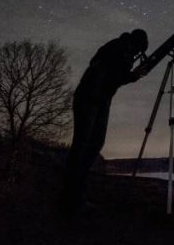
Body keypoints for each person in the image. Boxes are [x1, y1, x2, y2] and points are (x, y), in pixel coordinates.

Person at [62, 29, 149, 215]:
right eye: (137, 51)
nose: (136, 55)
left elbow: (113, 78)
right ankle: (70, 198)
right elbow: (107, 74)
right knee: (83, 145)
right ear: (134, 44)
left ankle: (77, 193)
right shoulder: (116, 48)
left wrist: (130, 75)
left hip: (100, 101)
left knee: (94, 144)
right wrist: (132, 76)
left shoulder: (122, 50)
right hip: (90, 99)